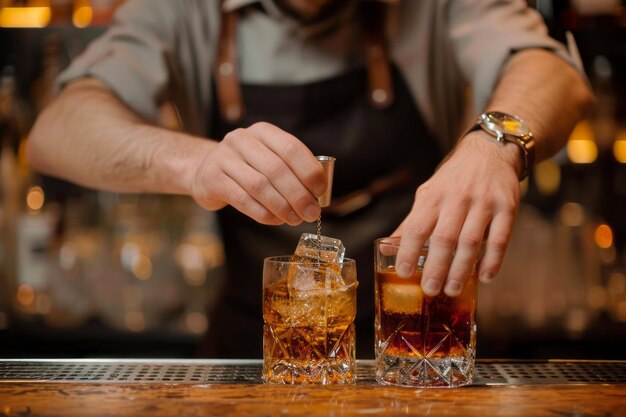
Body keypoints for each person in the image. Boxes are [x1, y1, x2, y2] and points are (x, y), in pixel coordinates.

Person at [26, 0, 592, 358]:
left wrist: (495, 144)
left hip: (420, 346)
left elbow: (553, 72)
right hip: (252, 351)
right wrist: (195, 164)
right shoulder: (180, 9)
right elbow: (56, 130)